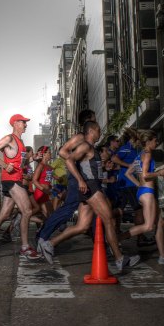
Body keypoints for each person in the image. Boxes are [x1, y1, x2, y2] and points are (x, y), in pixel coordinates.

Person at [39, 122, 140, 271]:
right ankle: (119, 258)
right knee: (109, 220)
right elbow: (69, 159)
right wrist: (80, 179)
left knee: (82, 226)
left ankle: (50, 244)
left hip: (90, 188)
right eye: (98, 130)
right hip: (91, 188)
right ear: (91, 131)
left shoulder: (92, 148)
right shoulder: (85, 146)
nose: (100, 133)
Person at [0, 114, 41, 261]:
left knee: (4, 214)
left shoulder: (21, 142)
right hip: (11, 180)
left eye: (25, 122)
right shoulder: (9, 138)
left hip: (15, 179)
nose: (26, 125)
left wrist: (33, 158)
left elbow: (21, 164)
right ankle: (25, 247)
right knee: (28, 210)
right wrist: (4, 165)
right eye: (23, 122)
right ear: (15, 123)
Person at [35, 109, 96, 247]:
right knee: (68, 209)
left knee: (96, 208)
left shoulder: (88, 138)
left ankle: (104, 244)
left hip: (86, 179)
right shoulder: (80, 137)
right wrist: (73, 164)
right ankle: (42, 236)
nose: (95, 121)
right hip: (77, 179)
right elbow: (62, 151)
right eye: (94, 118)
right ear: (88, 120)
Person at [123, 130, 164, 263]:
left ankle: (163, 255)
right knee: (149, 226)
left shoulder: (140, 155)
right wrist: (159, 173)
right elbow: (145, 175)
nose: (157, 143)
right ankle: (116, 239)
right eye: (155, 140)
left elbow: (128, 173)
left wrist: (140, 185)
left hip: (144, 191)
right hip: (147, 193)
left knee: (159, 223)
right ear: (148, 141)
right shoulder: (148, 154)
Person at [32, 146, 54, 218]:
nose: (51, 154)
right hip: (40, 193)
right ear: (44, 154)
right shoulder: (40, 165)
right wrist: (44, 190)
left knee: (51, 215)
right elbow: (34, 180)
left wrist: (53, 188)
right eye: (49, 152)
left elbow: (47, 181)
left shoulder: (49, 166)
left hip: (46, 193)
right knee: (48, 215)